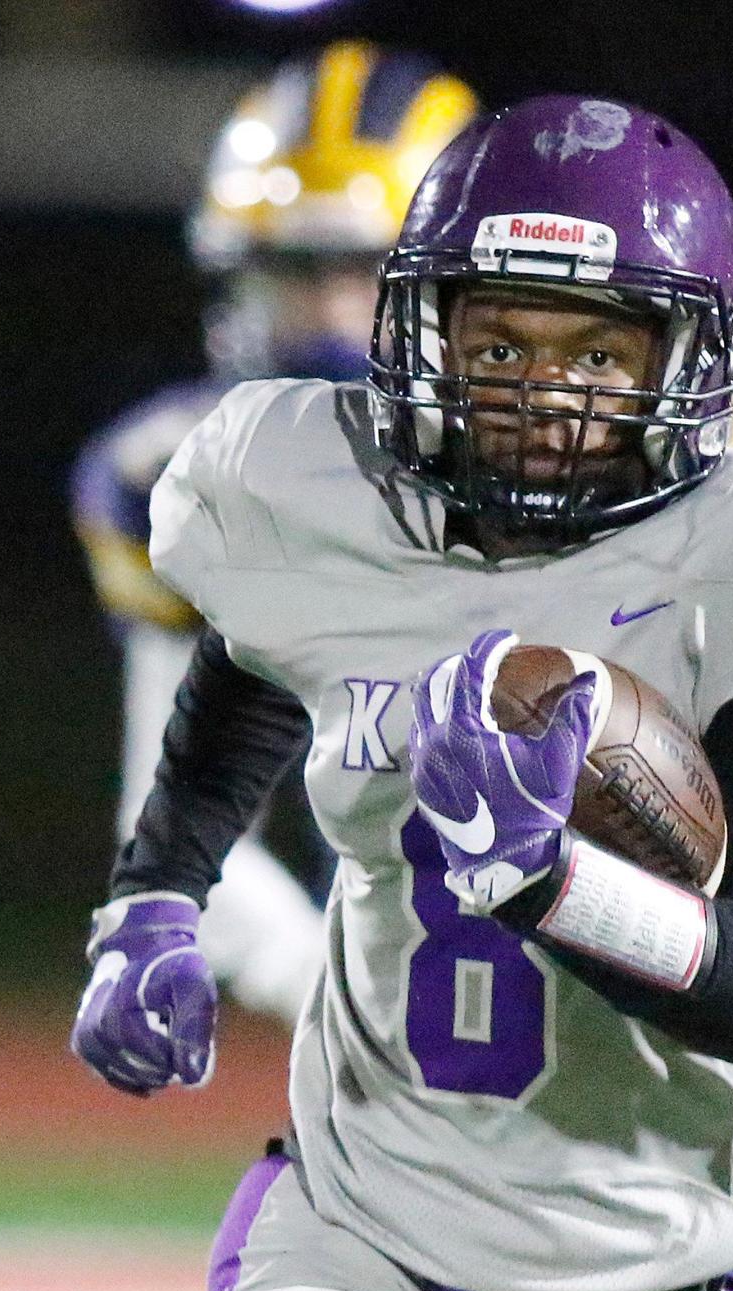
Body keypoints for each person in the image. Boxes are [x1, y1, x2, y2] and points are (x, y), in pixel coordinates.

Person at [71, 93, 733, 1291]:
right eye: (500, 343)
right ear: (427, 335)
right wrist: (156, 894)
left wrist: (553, 884)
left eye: (597, 351)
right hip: (358, 1249)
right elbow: (256, 659)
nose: (543, 395)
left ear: (687, 355)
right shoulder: (316, 490)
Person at [71, 42, 478, 1024]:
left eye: (364, 269)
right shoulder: (180, 484)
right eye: (294, 272)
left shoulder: (600, 458)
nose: (330, 317)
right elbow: (174, 840)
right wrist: (347, 1002)